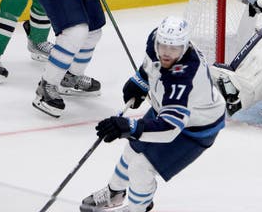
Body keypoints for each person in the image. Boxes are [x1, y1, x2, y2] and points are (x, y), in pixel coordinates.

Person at [80, 16, 226, 212]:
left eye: (174, 48)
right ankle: (115, 192)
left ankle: (137, 209)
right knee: (133, 149)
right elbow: (150, 66)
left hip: (195, 128)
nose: (166, 53)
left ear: (185, 47)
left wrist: (130, 127)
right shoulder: (155, 41)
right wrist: (140, 81)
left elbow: (169, 129)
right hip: (164, 110)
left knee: (141, 168)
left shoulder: (184, 78)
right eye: (163, 45)